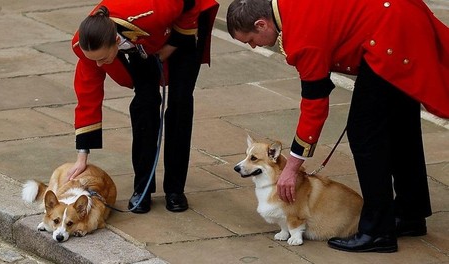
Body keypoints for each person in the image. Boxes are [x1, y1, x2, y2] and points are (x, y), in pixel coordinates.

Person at [227, 0, 449, 253]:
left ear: (261, 23)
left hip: (392, 33)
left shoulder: (301, 37)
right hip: (398, 18)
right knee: (399, 126)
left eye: (251, 40)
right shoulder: (288, 11)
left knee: (365, 134)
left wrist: (291, 167)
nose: (254, 47)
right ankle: (410, 214)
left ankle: (377, 231)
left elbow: (314, 105)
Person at [67, 0, 219, 214]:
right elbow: (87, 100)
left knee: (180, 102)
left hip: (184, 23)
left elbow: (189, 3)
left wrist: (172, 45)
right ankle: (143, 188)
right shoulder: (88, 47)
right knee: (144, 104)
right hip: (143, 41)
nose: (100, 65)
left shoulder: (148, 11)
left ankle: (175, 190)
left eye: (102, 58)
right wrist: (82, 156)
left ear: (114, 41)